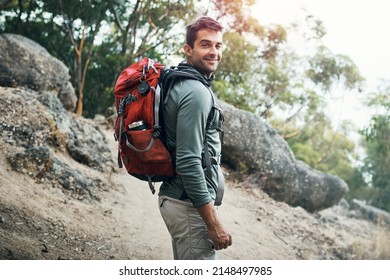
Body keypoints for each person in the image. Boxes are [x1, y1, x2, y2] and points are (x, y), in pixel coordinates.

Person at [158, 16, 232, 260]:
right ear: (188, 49)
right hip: (189, 206)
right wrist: (212, 223)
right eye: (205, 44)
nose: (214, 52)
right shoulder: (196, 91)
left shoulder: (181, 80)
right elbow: (188, 161)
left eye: (218, 45)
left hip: (178, 199)